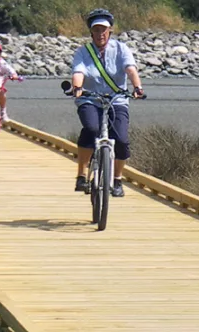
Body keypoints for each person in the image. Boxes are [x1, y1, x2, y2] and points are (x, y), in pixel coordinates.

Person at [70, 8, 144, 197]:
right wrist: (77, 88)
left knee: (121, 139)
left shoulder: (121, 49)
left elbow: (130, 69)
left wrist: (137, 87)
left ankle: (118, 179)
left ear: (110, 31)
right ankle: (82, 175)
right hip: (90, 98)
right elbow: (78, 72)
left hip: (117, 99)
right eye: (96, 30)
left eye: (104, 29)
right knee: (91, 128)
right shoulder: (83, 52)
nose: (100, 34)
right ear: (91, 32)